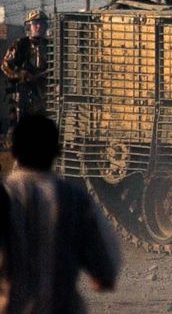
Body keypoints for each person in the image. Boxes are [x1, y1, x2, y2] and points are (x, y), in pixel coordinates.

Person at [1, 114, 121, 313]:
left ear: (13, 153)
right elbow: (107, 267)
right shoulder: (75, 199)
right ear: (56, 152)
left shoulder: (5, 196)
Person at [2, 10, 50, 124]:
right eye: (35, 24)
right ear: (29, 26)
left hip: (44, 92)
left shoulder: (49, 45)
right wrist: (21, 75)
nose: (39, 27)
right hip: (23, 92)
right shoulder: (20, 44)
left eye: (42, 24)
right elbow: (5, 66)